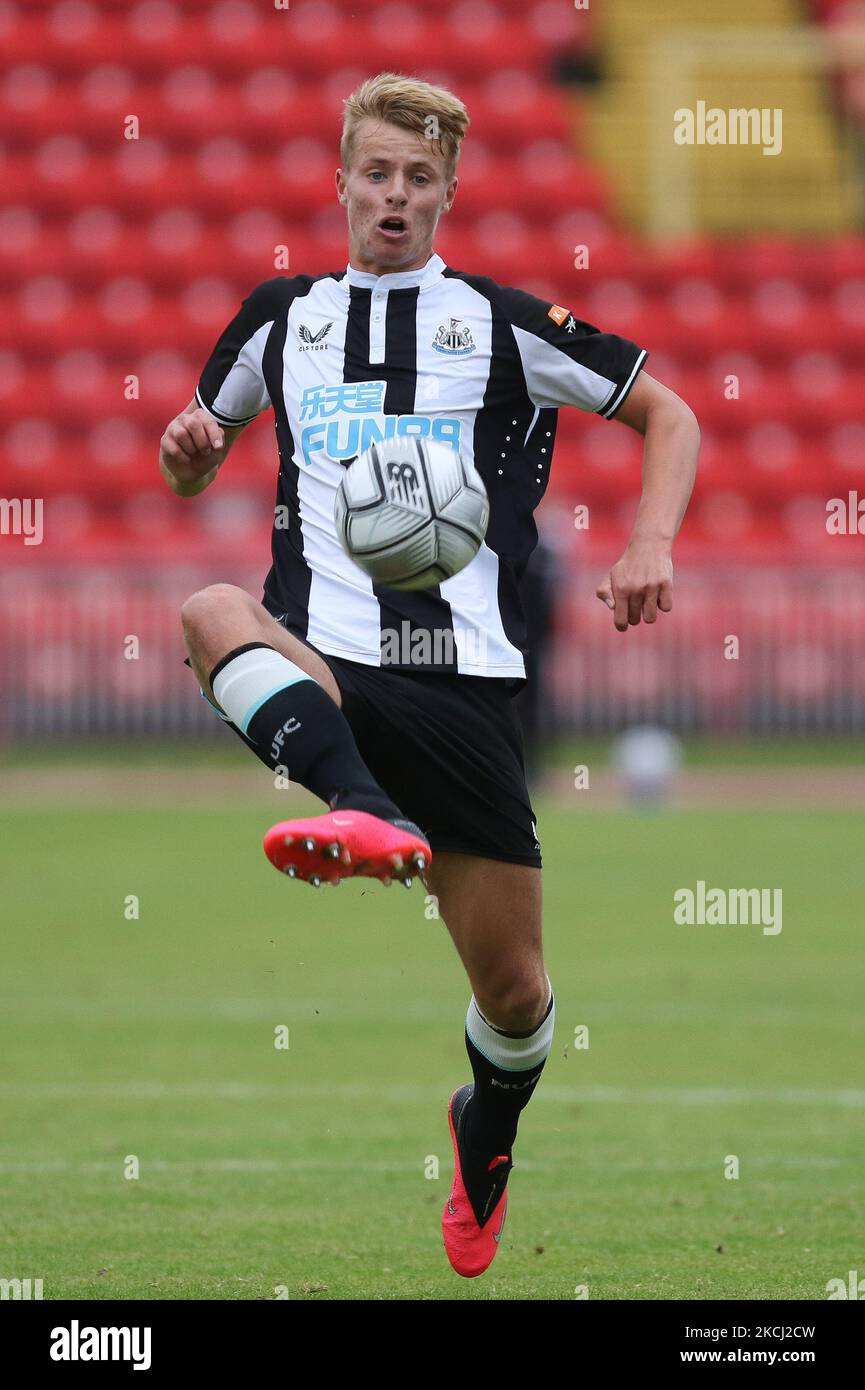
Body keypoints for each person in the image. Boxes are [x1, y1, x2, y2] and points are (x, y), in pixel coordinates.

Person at [158, 72, 700, 1279]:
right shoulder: (279, 319)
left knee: (514, 998)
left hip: (466, 686)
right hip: (324, 664)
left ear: (447, 191)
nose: (393, 194)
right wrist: (184, 450)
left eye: (417, 176)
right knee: (206, 611)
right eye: (375, 172)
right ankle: (368, 808)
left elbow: (670, 413)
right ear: (340, 181)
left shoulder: (500, 322)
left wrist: (649, 539)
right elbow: (192, 458)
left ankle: (484, 1127)